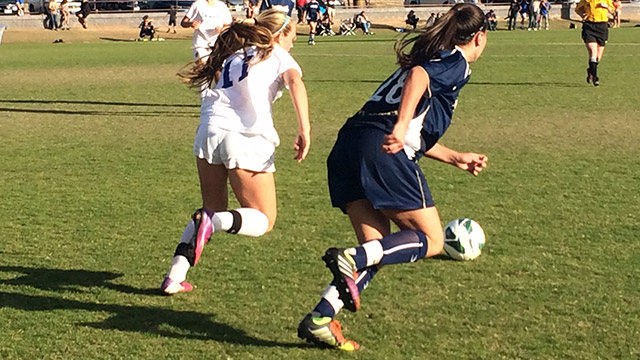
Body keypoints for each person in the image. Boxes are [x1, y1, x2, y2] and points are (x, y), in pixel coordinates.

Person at [297, 2, 489, 351]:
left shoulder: (436, 58)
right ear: (480, 36)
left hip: (350, 144)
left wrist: (453, 156)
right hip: (380, 149)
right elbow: (418, 80)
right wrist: (400, 126)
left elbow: (406, 126)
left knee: (378, 249)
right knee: (430, 239)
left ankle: (320, 318)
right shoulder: (454, 62)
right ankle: (351, 260)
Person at [160, 9, 311, 296]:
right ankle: (212, 223)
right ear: (279, 35)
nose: (293, 43)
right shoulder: (277, 53)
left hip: (209, 128)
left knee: (210, 209)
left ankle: (174, 277)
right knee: (263, 219)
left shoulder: (236, 55)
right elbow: (295, 82)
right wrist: (305, 127)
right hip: (244, 135)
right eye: (293, 37)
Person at [575, 0, 614, 86]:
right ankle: (595, 78)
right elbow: (578, 9)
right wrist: (582, 14)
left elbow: (612, 10)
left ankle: (591, 71)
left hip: (602, 27)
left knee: (598, 57)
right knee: (593, 52)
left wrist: (606, 7)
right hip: (589, 26)